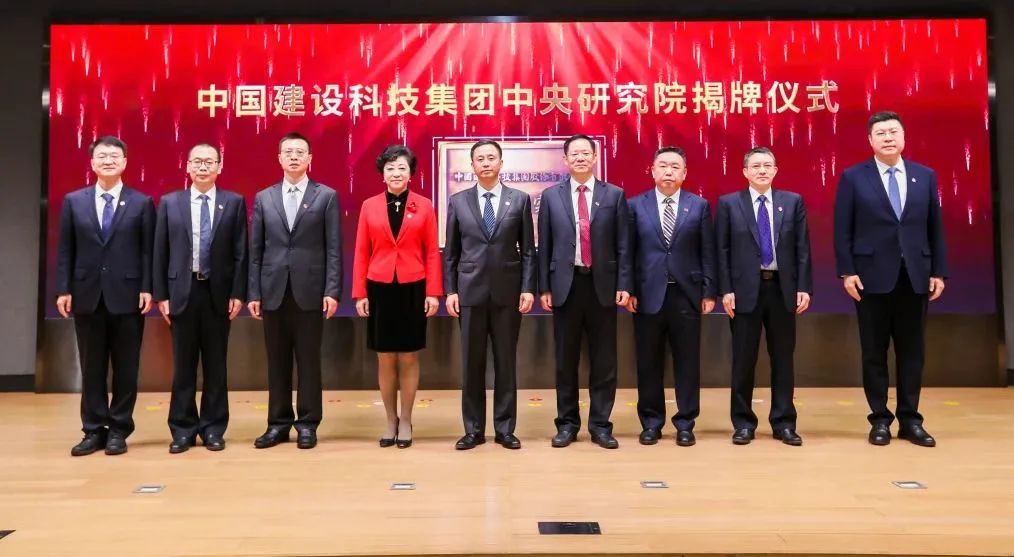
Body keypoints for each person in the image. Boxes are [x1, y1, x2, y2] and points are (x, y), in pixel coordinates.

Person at [834, 111, 948, 447]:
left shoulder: (924, 176)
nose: (888, 137)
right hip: (870, 278)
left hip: (915, 275)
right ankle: (880, 420)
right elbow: (843, 229)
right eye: (881, 133)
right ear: (870, 140)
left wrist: (938, 270)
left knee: (912, 352)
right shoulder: (854, 177)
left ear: (903, 137)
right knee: (874, 351)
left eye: (893, 131)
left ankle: (911, 420)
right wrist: (847, 271)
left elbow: (934, 226)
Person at [56, 135, 155, 456]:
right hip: (86, 294)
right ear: (92, 162)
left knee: (126, 367)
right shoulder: (74, 201)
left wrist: (148, 287)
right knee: (92, 367)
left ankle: (119, 429)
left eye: (114, 156)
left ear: (125, 162)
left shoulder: (141, 202)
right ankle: (93, 429)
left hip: (128, 295)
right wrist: (63, 288)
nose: (108, 160)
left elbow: (148, 251)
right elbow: (66, 249)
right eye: (102, 156)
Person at [248, 132, 342, 450]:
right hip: (273, 289)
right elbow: (256, 250)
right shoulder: (264, 197)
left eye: (300, 152)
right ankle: (277, 424)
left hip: (310, 290)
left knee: (308, 361)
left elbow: (333, 248)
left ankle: (308, 424)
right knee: (277, 362)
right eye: (287, 151)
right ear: (279, 158)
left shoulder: (326, 196)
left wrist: (332, 290)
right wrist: (254, 293)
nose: (293, 156)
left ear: (310, 158)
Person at [538, 134, 632, 449]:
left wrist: (624, 283)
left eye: (585, 153)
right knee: (565, 360)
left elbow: (623, 244)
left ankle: (601, 425)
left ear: (594, 157)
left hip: (602, 285)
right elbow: (544, 245)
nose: (580, 158)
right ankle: (567, 424)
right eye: (574, 154)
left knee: (604, 360)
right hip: (565, 285)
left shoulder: (614, 195)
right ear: (565, 160)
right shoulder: (551, 196)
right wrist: (544, 286)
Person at [153, 143, 247, 453]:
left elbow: (240, 252)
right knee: (183, 366)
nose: (203, 166)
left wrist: (238, 292)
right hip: (182, 292)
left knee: (216, 366)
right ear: (187, 166)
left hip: (218, 294)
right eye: (197, 161)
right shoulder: (170, 202)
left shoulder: (233, 202)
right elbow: (160, 251)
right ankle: (182, 429)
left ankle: (213, 428)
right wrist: (161, 294)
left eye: (209, 162)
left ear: (220, 167)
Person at [444, 140, 537, 450]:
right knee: (471, 364)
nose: (486, 163)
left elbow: (528, 251)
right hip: (469, 293)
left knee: (506, 362)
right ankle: (473, 430)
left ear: (501, 163)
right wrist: (450, 290)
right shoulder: (458, 201)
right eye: (480, 159)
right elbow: (451, 253)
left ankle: (505, 429)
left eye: (491, 158)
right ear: (472, 165)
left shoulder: (519, 200)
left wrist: (527, 288)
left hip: (507, 293)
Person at [716, 147, 812, 446]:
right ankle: (743, 423)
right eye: (755, 166)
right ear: (745, 171)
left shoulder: (792, 202)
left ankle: (784, 423)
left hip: (782, 290)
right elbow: (722, 250)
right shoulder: (729, 203)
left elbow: (802, 249)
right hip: (744, 291)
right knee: (743, 359)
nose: (762, 170)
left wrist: (803, 287)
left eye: (767, 165)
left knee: (783, 359)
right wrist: (726, 289)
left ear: (775, 170)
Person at [352, 144, 442, 449]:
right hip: (379, 286)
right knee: (385, 357)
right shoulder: (369, 206)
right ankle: (390, 419)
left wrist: (433, 292)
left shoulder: (424, 205)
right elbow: (361, 251)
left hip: (413, 285)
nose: (395, 173)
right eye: (390, 168)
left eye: (402, 168)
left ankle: (406, 420)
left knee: (409, 355)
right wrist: (359, 293)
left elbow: (432, 252)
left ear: (411, 173)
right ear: (383, 174)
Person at [626, 146, 715, 447]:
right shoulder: (635, 205)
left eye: (675, 167)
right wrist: (629, 289)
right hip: (647, 294)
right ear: (652, 170)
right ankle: (651, 423)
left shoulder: (698, 206)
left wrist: (708, 291)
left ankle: (685, 423)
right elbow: (628, 252)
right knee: (648, 362)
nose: (668, 171)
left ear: (684, 173)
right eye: (662, 165)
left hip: (686, 294)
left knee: (687, 362)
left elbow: (707, 251)